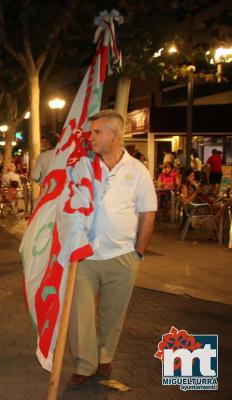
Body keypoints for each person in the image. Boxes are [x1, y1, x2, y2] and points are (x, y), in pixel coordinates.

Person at [68, 110, 156, 387]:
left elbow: (148, 213)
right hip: (84, 255)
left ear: (115, 135)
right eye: (90, 132)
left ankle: (104, 360)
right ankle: (84, 365)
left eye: (96, 132)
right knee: (79, 312)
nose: (90, 137)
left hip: (121, 256)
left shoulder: (137, 171)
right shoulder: (82, 165)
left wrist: (137, 253)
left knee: (113, 313)